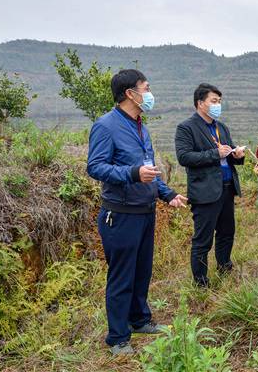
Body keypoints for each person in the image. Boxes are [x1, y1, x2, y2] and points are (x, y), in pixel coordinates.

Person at [87, 69, 188, 356]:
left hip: (145, 211)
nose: (149, 93)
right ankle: (118, 337)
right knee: (122, 276)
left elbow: (149, 169)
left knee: (142, 272)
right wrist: (132, 173)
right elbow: (95, 166)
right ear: (130, 93)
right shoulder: (106, 126)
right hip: (120, 214)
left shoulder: (141, 125)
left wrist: (167, 194)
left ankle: (139, 320)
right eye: (146, 88)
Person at [175, 83, 245, 288]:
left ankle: (225, 267)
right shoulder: (186, 128)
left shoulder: (221, 127)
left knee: (226, 232)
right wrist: (216, 153)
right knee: (203, 239)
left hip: (226, 187)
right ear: (200, 103)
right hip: (205, 191)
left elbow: (228, 152)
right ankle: (201, 282)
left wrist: (236, 154)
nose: (217, 105)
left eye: (219, 102)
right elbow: (184, 157)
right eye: (214, 101)